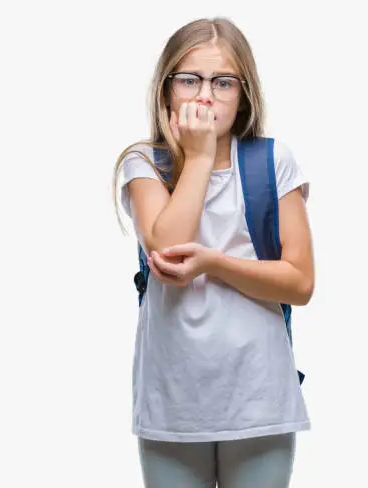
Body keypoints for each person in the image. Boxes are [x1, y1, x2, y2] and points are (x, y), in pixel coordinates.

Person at [113, 16, 315, 488]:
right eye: (190, 79)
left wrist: (215, 263)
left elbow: (301, 282)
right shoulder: (145, 162)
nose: (205, 95)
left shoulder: (273, 160)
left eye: (222, 82)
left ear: (244, 94)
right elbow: (166, 245)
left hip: (260, 398)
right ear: (167, 90)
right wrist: (200, 156)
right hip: (172, 401)